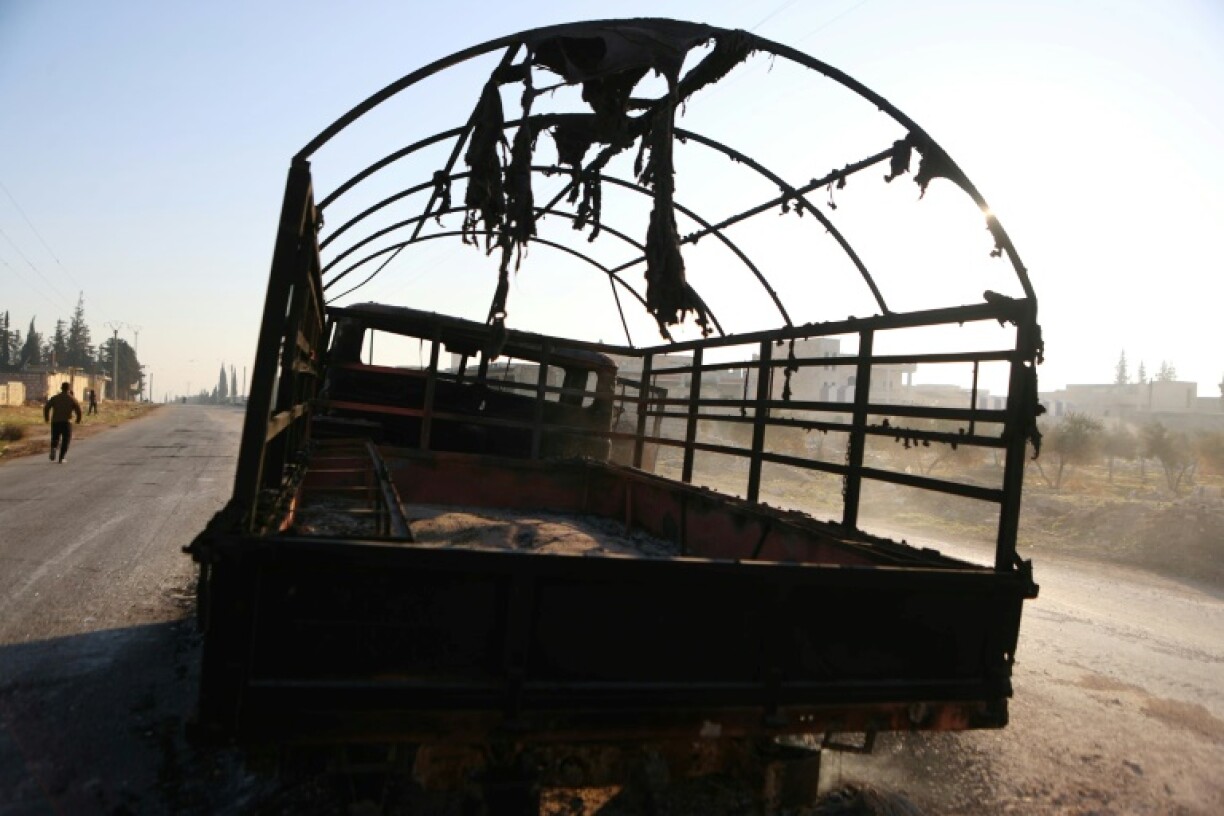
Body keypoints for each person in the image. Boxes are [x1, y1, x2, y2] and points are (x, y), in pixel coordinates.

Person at [44, 382, 82, 463]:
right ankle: (61, 458)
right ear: (69, 389)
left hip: (55, 421)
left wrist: (47, 418)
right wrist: (78, 420)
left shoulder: (55, 398)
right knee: (66, 440)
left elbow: (46, 407)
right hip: (66, 422)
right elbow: (78, 410)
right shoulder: (72, 399)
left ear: (61, 388)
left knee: (55, 438)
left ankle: (53, 448)